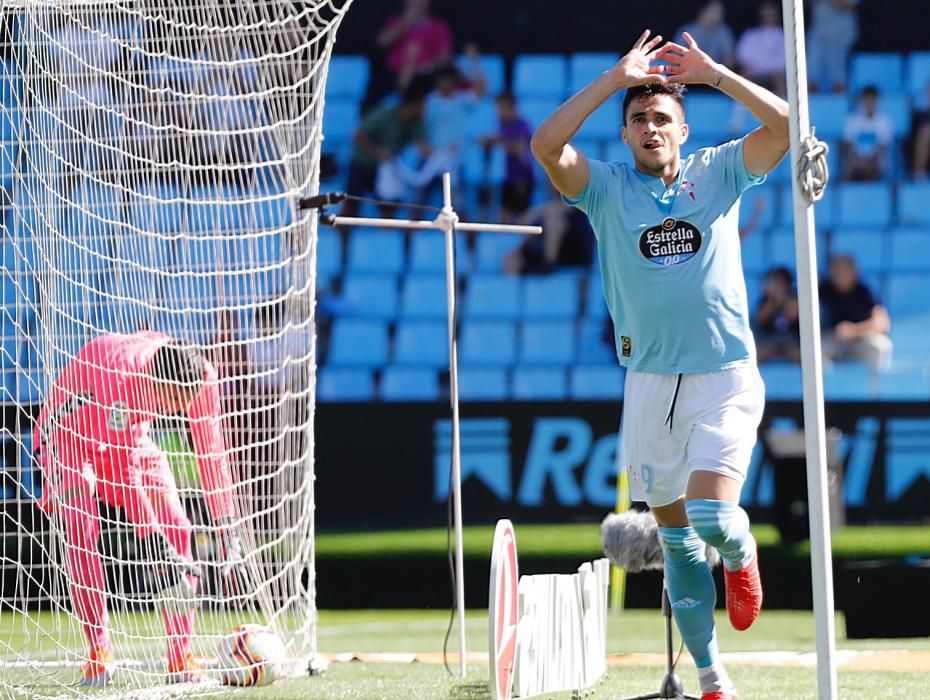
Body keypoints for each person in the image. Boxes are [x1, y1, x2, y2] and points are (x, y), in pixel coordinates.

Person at [531, 29, 789, 700]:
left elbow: (790, 127)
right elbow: (545, 146)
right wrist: (615, 80)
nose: (651, 127)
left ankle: (741, 550)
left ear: (683, 128)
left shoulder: (720, 169)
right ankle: (711, 678)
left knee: (710, 519)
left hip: (725, 375)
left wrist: (714, 73)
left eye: (662, 117)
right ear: (625, 133)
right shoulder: (607, 189)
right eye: (639, 118)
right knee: (675, 544)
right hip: (648, 383)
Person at [33, 332, 248, 687]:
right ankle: (98, 650)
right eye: (174, 400)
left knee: (180, 528)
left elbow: (211, 452)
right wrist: (150, 536)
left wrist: (227, 527)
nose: (179, 410)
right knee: (80, 526)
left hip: (129, 439)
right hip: (67, 439)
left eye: (185, 401)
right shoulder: (121, 379)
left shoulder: (204, 378)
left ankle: (181, 658)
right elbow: (121, 473)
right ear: (155, 382)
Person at [340, 82, 429, 219]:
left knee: (391, 201)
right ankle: (343, 232)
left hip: (389, 168)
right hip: (364, 162)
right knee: (351, 203)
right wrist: (377, 152)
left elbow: (422, 145)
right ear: (414, 104)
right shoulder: (383, 114)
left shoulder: (415, 122)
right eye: (423, 104)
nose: (425, 108)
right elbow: (358, 136)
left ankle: (390, 234)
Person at [820, 254, 892, 371]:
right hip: (832, 339)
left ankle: (874, 389)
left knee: (881, 347)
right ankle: (825, 387)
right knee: (813, 351)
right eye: (836, 269)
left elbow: (883, 324)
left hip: (860, 339)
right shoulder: (824, 290)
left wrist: (853, 330)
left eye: (844, 269)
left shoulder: (864, 292)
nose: (839, 273)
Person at [503, 185, 594, 275]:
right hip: (543, 250)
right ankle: (532, 275)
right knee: (510, 261)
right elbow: (523, 220)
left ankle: (549, 264)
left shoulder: (578, 203)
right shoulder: (546, 207)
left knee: (554, 222)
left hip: (572, 250)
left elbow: (561, 209)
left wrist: (539, 211)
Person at [481, 91, 536, 222]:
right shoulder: (502, 125)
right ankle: (503, 241)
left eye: (500, 108)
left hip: (522, 178)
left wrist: (498, 141)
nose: (498, 111)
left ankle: (523, 241)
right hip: (508, 178)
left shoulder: (521, 125)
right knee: (503, 213)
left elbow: (520, 148)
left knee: (522, 216)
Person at [375, 0, 453, 88]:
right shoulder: (395, 21)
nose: (415, 3)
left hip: (425, 77)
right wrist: (405, 22)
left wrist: (429, 66)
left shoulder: (438, 26)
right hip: (392, 76)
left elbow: (445, 56)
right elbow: (382, 42)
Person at [842, 85, 894, 181]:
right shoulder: (852, 120)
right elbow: (848, 146)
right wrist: (859, 160)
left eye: (872, 100)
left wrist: (869, 161)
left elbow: (882, 148)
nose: (869, 103)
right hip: (856, 161)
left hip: (876, 162)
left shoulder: (885, 122)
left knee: (875, 165)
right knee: (849, 164)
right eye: (867, 100)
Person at [807, 0, 859, 93]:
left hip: (839, 35)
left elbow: (849, 6)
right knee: (811, 73)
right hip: (818, 31)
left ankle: (839, 105)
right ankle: (810, 105)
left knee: (838, 76)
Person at [735, 2, 786, 96]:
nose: (768, 17)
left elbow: (783, 60)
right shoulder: (750, 34)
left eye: (771, 14)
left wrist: (765, 67)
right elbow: (743, 55)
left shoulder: (782, 35)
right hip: (753, 72)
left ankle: (781, 106)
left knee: (779, 78)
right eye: (766, 14)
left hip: (774, 74)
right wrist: (758, 67)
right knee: (743, 76)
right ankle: (741, 108)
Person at [753, 267, 801, 363]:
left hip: (791, 341)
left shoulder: (794, 298)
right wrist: (773, 301)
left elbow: (792, 315)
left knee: (801, 355)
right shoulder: (765, 301)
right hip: (769, 342)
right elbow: (759, 319)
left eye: (780, 283)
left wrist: (783, 299)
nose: (777, 287)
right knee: (755, 356)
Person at [676, 1, 735, 67]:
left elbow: (729, 61)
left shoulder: (724, 32)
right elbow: (675, 57)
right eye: (714, 11)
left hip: (714, 74)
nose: (718, 16)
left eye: (720, 12)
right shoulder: (687, 30)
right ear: (703, 11)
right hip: (688, 73)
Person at [908, 80, 930, 180]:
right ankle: (919, 175)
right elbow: (912, 139)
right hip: (924, 154)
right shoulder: (918, 115)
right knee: (925, 132)